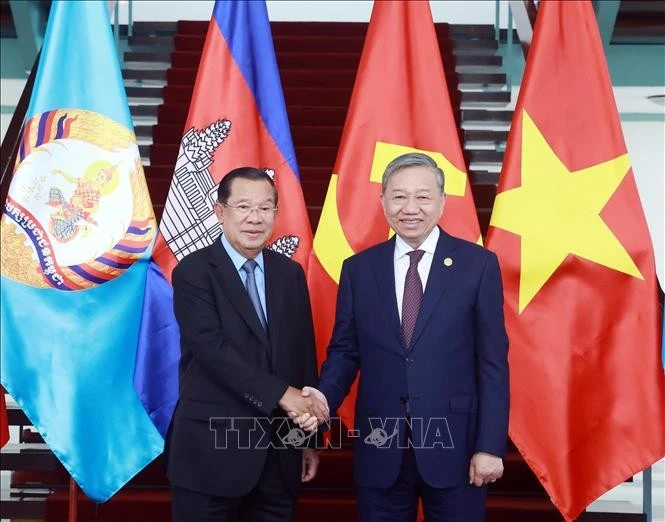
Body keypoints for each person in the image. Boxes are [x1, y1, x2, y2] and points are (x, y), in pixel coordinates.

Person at [295, 153, 509, 522]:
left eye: (423, 197)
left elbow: (492, 363)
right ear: (382, 202)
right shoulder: (359, 269)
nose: (410, 208)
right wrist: (323, 399)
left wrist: (489, 446)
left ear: (442, 202)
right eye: (398, 196)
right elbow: (346, 352)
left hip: (456, 446)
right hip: (381, 445)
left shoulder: (478, 265)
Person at [166, 167, 326, 522]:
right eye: (243, 207)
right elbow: (212, 351)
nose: (255, 218)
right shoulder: (193, 272)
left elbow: (300, 356)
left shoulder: (290, 274)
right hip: (211, 455)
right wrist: (283, 394)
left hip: (278, 457)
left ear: (275, 213)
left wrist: (305, 439)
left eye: (265, 208)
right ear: (220, 211)